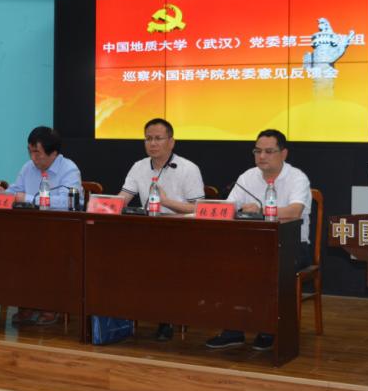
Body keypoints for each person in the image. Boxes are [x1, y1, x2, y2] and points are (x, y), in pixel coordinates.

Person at [206, 129, 312, 351]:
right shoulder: (247, 177)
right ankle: (233, 330)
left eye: (268, 151)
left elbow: (294, 211)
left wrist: (261, 210)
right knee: (225, 264)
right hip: (253, 245)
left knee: (264, 267)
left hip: (292, 247)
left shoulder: (297, 178)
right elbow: (229, 207)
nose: (262, 156)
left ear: (283, 153)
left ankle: (268, 329)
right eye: (257, 151)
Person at [119, 118, 205, 341]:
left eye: (158, 138)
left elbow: (199, 208)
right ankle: (123, 314)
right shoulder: (139, 166)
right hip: (147, 231)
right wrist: (105, 205)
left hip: (182, 232)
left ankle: (166, 318)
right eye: (148, 138)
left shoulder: (188, 169)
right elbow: (123, 198)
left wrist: (166, 202)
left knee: (164, 260)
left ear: (171, 142)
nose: (153, 143)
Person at [0, 126, 81, 325]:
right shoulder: (28, 167)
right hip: (30, 229)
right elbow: (15, 191)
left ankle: (51, 305)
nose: (33, 157)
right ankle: (27, 302)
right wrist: (3, 194)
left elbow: (68, 202)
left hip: (60, 231)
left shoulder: (69, 169)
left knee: (47, 250)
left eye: (37, 152)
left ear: (53, 153)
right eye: (30, 151)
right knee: (12, 249)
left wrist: (26, 198)